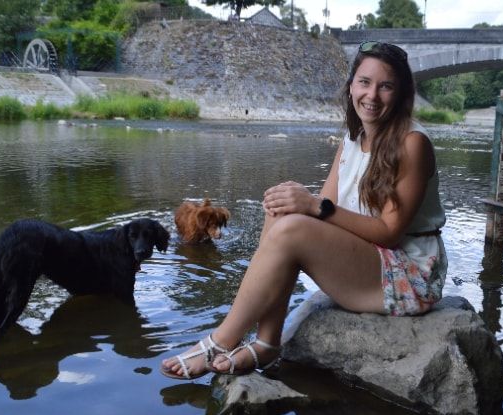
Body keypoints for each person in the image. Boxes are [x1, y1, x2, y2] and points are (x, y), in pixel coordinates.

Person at [161, 41, 447, 379]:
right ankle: (267, 342)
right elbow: (321, 209)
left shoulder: (413, 143)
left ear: (401, 94)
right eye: (364, 82)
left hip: (409, 275)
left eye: (386, 86)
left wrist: (313, 205)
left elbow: (388, 231)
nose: (372, 95)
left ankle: (222, 339)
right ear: (351, 86)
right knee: (282, 209)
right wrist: (299, 202)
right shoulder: (353, 138)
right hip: (371, 259)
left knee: (294, 226)